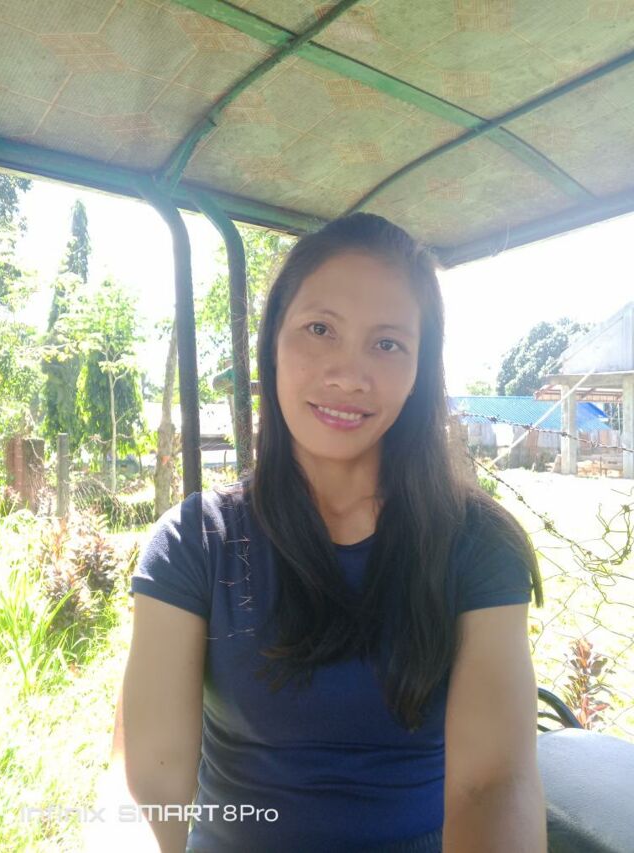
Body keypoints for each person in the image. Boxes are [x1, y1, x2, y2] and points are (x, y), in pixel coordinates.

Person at [117, 213, 547, 852]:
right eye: (320, 329)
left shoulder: (476, 543)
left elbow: (494, 785)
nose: (349, 375)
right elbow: (150, 778)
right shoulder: (195, 543)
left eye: (388, 344)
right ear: (273, 343)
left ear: (421, 370)